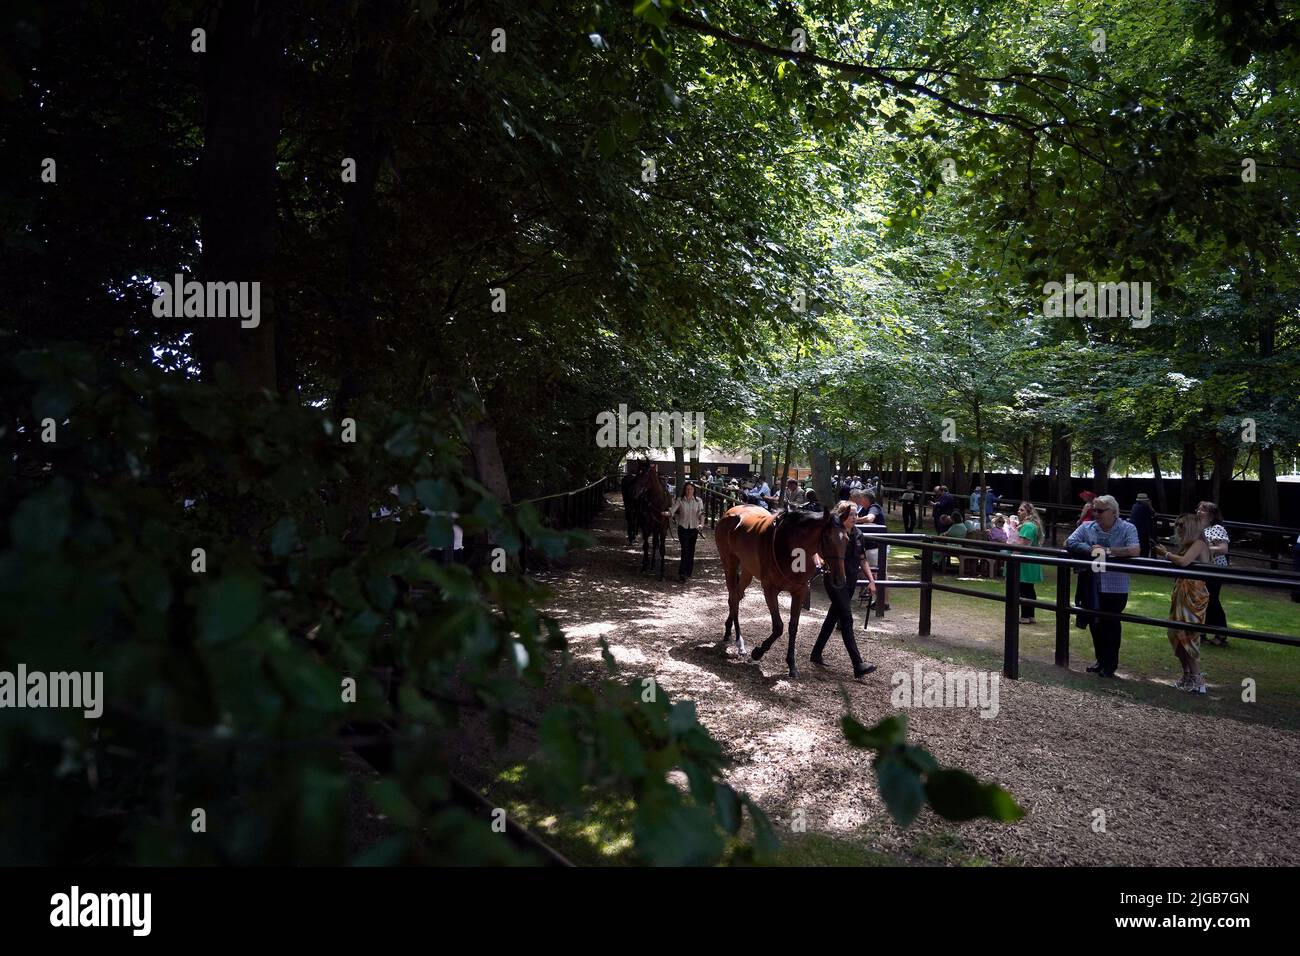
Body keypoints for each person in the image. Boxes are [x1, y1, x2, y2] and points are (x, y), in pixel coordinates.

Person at [1064, 494, 1140, 678]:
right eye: (1094, 510)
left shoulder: (1127, 528)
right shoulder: (1087, 527)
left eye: (1100, 510)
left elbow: (1134, 549)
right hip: (1092, 585)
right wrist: (1089, 549)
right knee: (1094, 623)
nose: (1096, 514)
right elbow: (1069, 542)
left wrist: (1107, 551)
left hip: (1116, 586)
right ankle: (1100, 660)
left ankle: (1110, 664)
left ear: (1114, 512)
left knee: (1111, 624)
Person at [810, 502, 878, 679]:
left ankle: (816, 653)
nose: (855, 518)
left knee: (833, 616)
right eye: (851, 515)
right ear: (842, 517)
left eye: (856, 515)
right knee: (846, 618)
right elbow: (815, 549)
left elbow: (862, 560)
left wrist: (871, 581)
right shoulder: (833, 533)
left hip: (850, 583)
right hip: (834, 581)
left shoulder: (858, 534)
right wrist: (819, 561)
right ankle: (858, 664)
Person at [1155, 514, 1211, 694]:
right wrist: (1167, 554)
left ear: (1192, 527)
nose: (1178, 527)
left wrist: (1166, 553)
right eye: (1176, 524)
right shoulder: (1187, 545)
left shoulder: (1199, 544)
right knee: (1175, 633)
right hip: (1181, 591)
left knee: (1188, 635)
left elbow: (1183, 562)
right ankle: (1187, 675)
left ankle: (1198, 680)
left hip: (1194, 594)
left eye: (1182, 525)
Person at [1197, 501, 1231, 646]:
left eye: (1202, 510)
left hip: (1214, 569)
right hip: (1201, 568)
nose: (1198, 511)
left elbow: (1223, 549)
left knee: (1212, 600)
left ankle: (1221, 633)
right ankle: (1201, 632)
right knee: (1201, 600)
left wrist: (1205, 549)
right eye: (1198, 509)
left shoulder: (1216, 528)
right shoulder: (1197, 528)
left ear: (1211, 515)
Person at [1012, 502, 1045, 621]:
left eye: (1021, 510)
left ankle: (1025, 616)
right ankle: (1030, 615)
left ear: (1028, 513)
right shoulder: (1031, 525)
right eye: (1018, 509)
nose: (1018, 512)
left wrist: (1012, 559)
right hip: (1031, 561)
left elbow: (1022, 546)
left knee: (1024, 589)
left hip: (1026, 562)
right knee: (1029, 589)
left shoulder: (1028, 527)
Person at [666, 482, 705, 582]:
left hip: (694, 529)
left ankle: (688, 571)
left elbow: (701, 513)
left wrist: (702, 524)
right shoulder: (680, 500)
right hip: (683, 528)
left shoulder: (698, 501)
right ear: (685, 490)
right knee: (685, 550)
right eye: (687, 489)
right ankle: (682, 573)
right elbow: (672, 511)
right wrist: (663, 513)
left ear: (694, 490)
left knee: (691, 550)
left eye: (691, 489)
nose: (689, 491)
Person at [1130, 492, 1155, 558]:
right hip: (1142, 532)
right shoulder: (1144, 507)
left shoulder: (1134, 506)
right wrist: (1150, 506)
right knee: (1144, 550)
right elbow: (1153, 514)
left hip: (1136, 530)